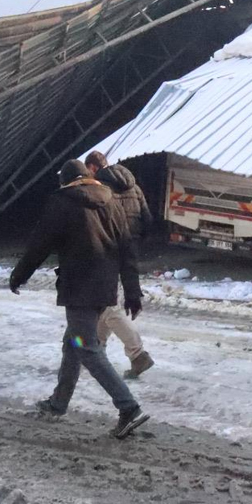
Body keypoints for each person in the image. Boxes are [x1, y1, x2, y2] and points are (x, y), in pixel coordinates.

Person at [9, 159, 150, 439]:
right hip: (104, 289)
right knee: (73, 342)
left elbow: (40, 245)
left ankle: (128, 408)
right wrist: (132, 292)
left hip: (80, 288)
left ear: (66, 181)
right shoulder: (111, 202)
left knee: (86, 348)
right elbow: (127, 250)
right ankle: (58, 404)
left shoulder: (62, 202)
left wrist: (19, 275)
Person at [83, 150, 155, 380]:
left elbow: (95, 221)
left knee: (109, 305)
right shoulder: (134, 186)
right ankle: (96, 347)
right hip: (129, 247)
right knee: (106, 301)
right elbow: (148, 219)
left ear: (93, 168)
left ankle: (137, 354)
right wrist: (135, 240)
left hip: (108, 249)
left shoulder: (100, 189)